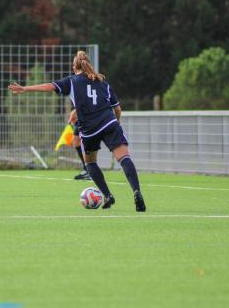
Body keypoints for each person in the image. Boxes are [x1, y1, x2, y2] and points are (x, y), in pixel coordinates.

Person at [8, 51, 146, 211]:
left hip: (89, 130)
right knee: (124, 158)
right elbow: (118, 109)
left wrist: (25, 88)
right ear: (88, 65)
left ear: (74, 67)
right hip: (109, 123)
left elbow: (49, 86)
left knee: (90, 163)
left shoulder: (72, 81)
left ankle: (108, 195)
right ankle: (136, 191)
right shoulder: (102, 81)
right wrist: (116, 123)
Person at [68, 109, 90, 180]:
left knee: (80, 142)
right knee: (77, 142)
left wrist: (73, 114)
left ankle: (89, 170)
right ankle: (87, 169)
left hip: (86, 118)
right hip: (82, 119)